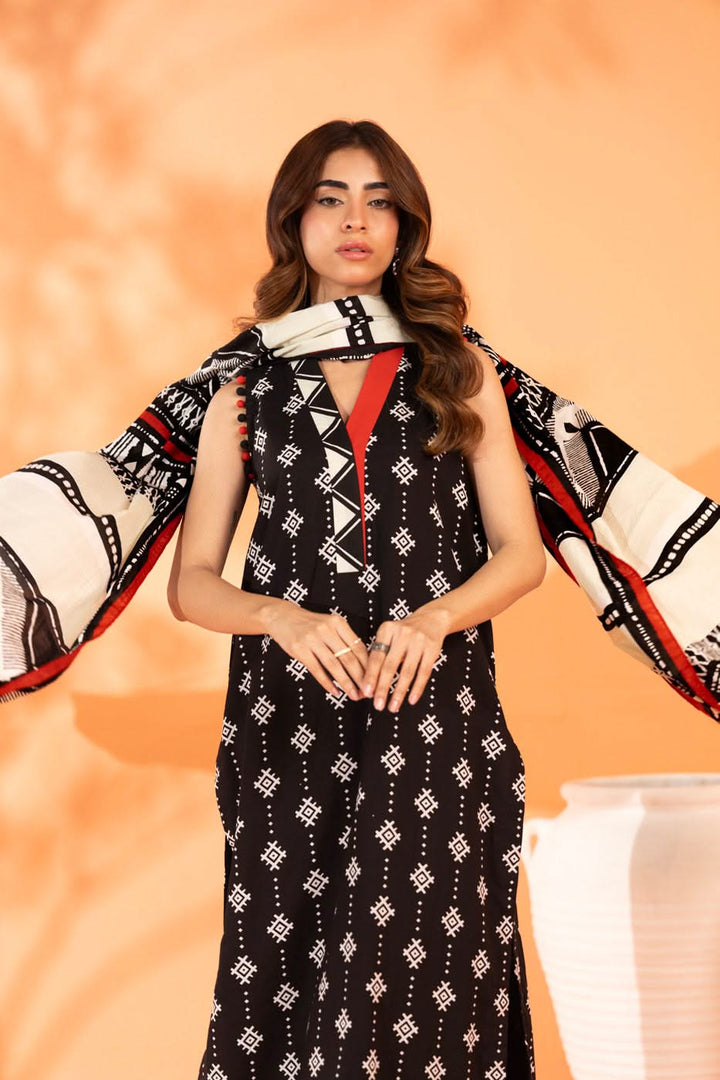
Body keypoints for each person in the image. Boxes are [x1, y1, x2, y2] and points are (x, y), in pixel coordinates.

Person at [168, 118, 545, 1079]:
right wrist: (277, 616)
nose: (355, 222)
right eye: (330, 199)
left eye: (380, 202)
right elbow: (192, 582)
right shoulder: (244, 383)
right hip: (285, 723)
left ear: (405, 225)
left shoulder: (459, 368)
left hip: (436, 712)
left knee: (433, 978)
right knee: (282, 976)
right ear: (292, 220)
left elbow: (521, 554)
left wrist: (436, 618)